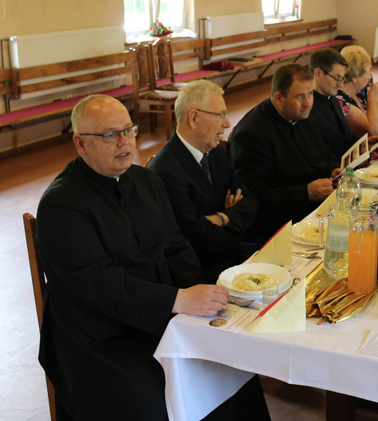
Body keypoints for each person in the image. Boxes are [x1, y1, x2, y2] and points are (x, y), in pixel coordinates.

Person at [36, 94, 269, 420]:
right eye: (109, 135)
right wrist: (178, 300)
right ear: (80, 143)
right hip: (100, 335)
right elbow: (100, 284)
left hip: (160, 313)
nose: (123, 142)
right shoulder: (62, 204)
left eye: (128, 131)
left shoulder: (145, 179)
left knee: (232, 365)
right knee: (148, 390)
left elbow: (177, 247)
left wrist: (196, 304)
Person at [148, 80, 257, 283]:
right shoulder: (166, 170)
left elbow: (250, 201)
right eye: (220, 115)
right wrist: (235, 219)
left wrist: (221, 219)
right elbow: (200, 240)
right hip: (203, 274)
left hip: (232, 257)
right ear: (194, 117)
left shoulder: (215, 152)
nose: (226, 123)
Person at [229, 64, 341, 244]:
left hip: (315, 210)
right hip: (280, 225)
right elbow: (255, 198)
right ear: (279, 98)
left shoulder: (303, 114)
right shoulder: (251, 134)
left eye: (311, 94)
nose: (308, 103)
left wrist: (333, 169)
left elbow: (323, 153)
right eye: (300, 97)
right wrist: (305, 193)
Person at [308, 48, 355, 157]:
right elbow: (318, 152)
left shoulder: (331, 97)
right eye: (337, 78)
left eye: (342, 79)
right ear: (318, 73)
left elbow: (342, 138)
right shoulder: (307, 108)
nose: (341, 85)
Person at [336, 48, 378, 139]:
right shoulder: (340, 101)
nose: (369, 77)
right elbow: (371, 131)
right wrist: (373, 99)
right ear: (354, 77)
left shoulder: (357, 94)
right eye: (368, 73)